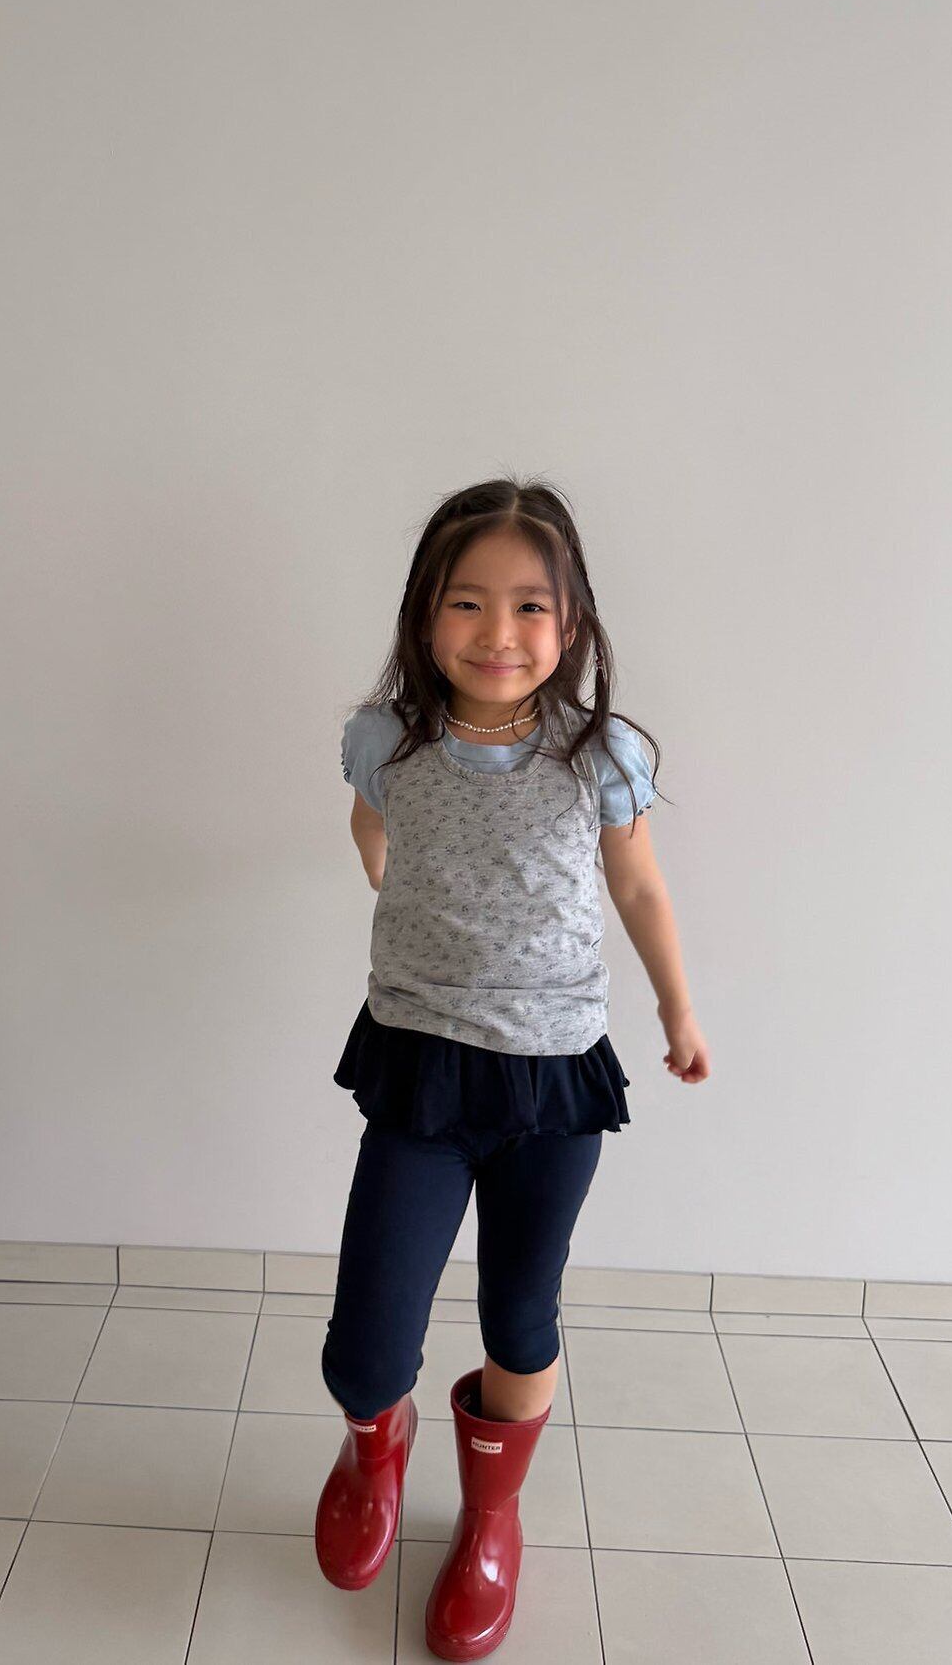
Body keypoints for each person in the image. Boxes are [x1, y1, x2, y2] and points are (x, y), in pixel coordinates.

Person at [315, 475, 711, 1660]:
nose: (498, 632)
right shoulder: (389, 740)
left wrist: (677, 1008)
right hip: (420, 1069)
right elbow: (370, 822)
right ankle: (375, 1444)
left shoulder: (598, 754)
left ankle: (490, 1517)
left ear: (570, 619)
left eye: (530, 605)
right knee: (367, 1341)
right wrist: (386, 874)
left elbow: (637, 884)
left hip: (552, 1080)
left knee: (518, 1315)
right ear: (424, 613)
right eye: (467, 602)